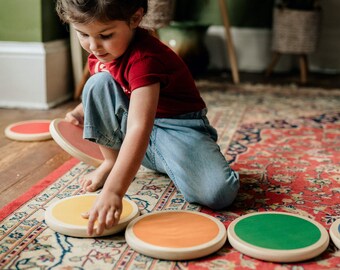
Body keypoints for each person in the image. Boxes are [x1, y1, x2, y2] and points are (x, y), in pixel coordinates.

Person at [56, 0, 239, 236]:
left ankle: (158, 160)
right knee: (96, 83)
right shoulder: (103, 51)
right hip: (139, 126)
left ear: (135, 19)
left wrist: (113, 191)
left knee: (218, 194)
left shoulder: (146, 58)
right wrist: (81, 111)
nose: (94, 46)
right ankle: (112, 162)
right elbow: (111, 85)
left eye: (105, 35)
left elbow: (139, 127)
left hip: (177, 127)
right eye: (83, 34)